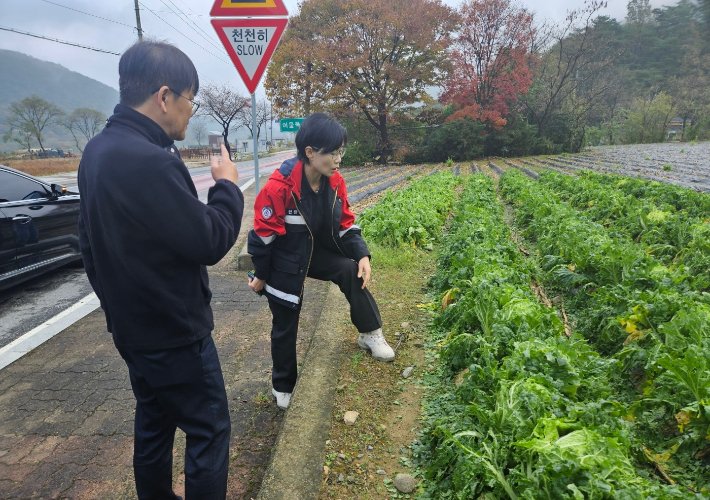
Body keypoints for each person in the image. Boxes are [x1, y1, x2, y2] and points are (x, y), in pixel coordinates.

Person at [77, 40, 243, 500]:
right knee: (208, 430)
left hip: (133, 333)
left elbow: (87, 244)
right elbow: (210, 240)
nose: (191, 112)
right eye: (190, 99)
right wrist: (226, 187)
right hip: (175, 334)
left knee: (154, 423)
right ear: (165, 96)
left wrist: (116, 310)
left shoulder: (97, 152)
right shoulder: (152, 161)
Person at [248, 113, 395, 410]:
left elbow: (346, 224)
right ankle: (283, 384)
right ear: (311, 153)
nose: (338, 158)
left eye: (341, 150)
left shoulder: (334, 181)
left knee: (349, 270)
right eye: (333, 152)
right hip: (284, 261)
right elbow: (262, 237)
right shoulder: (279, 188)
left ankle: (370, 334)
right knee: (286, 315)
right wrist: (261, 274)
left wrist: (362, 255)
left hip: (312, 252)